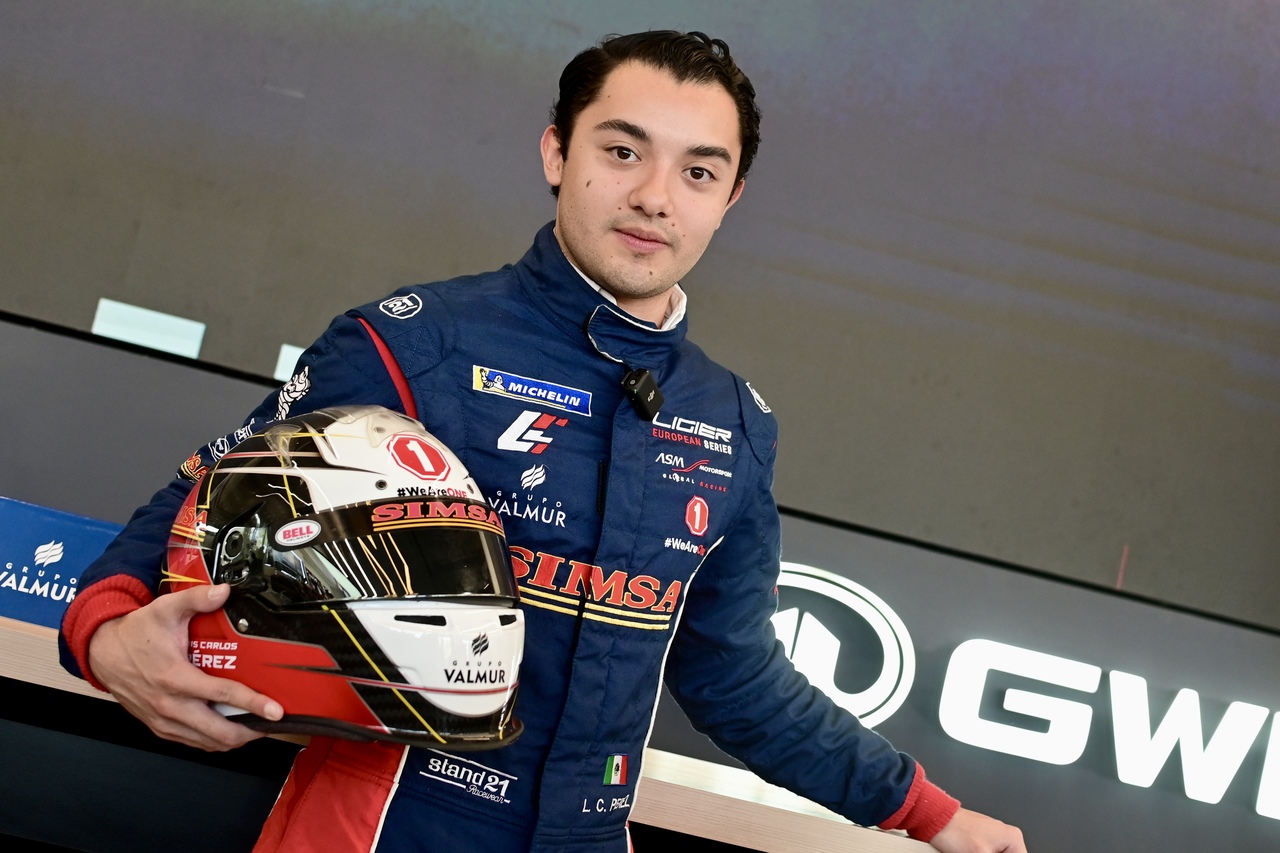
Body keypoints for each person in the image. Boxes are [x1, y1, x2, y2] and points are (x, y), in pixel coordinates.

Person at [59, 31, 1027, 853]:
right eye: (622, 151)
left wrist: (928, 813)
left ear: (730, 198)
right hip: (379, 829)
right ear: (557, 153)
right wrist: (104, 632)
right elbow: (197, 502)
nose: (655, 197)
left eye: (697, 172)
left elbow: (734, 676)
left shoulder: (735, 424)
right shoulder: (415, 346)